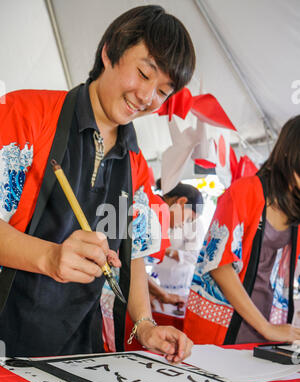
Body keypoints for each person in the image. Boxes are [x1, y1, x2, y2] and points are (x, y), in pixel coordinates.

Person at [0, 5, 195, 362]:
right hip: (7, 336)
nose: (148, 97)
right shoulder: (25, 113)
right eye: (143, 73)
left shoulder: (135, 164)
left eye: (164, 92)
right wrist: (50, 256)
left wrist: (146, 325)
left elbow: (134, 253)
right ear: (109, 52)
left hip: (79, 351)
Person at [184, 115, 300, 345]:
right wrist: (266, 328)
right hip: (222, 328)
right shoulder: (246, 191)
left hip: (268, 329)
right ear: (290, 153)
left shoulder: (296, 211)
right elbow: (219, 264)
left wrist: (270, 329)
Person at [148, 180, 204, 314]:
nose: (182, 225)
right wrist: (159, 293)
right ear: (182, 202)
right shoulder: (151, 212)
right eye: (189, 219)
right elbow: (132, 265)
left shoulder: (157, 213)